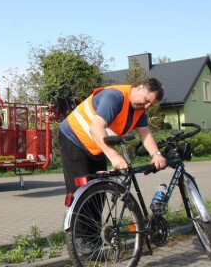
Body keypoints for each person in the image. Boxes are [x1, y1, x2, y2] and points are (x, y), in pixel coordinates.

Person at [58, 78, 166, 251]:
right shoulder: (114, 97)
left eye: (150, 104)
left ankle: (94, 239)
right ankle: (80, 241)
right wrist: (115, 157)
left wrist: (156, 154)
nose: (146, 106)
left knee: (98, 193)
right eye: (146, 100)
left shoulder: (139, 110)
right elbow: (96, 128)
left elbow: (145, 134)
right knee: (80, 191)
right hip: (74, 139)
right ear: (139, 88)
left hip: (96, 145)